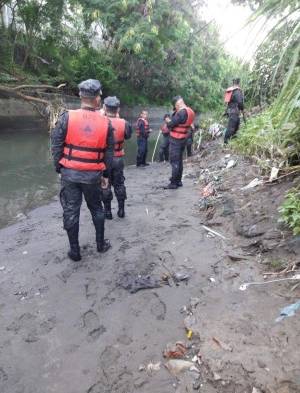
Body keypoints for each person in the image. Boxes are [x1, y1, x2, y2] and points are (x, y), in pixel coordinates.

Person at [51, 79, 113, 262]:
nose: (100, 98)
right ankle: (101, 245)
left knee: (71, 210)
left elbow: (56, 145)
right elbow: (108, 154)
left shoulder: (66, 117)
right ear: (96, 99)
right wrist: (105, 175)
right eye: (100, 95)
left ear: (80, 96)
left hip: (70, 174)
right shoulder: (106, 123)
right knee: (96, 208)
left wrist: (59, 168)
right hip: (93, 175)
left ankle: (75, 251)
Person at [101, 96, 132, 219]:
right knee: (119, 184)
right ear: (118, 109)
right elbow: (128, 136)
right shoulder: (125, 123)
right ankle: (121, 210)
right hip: (118, 158)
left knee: (105, 185)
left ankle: (108, 212)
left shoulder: (100, 121)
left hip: (104, 160)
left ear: (104, 107)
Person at [165, 96, 195, 189]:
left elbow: (171, 124)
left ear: (177, 104)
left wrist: (166, 119)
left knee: (174, 161)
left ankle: (173, 183)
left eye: (175, 107)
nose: (175, 109)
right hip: (183, 139)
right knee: (179, 161)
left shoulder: (181, 113)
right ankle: (179, 181)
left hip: (176, 140)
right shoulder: (190, 111)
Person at [224, 78, 245, 144]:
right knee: (231, 127)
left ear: (233, 83)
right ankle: (226, 142)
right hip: (234, 111)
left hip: (231, 110)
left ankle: (232, 140)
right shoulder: (237, 91)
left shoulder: (231, 90)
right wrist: (242, 109)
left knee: (236, 125)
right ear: (238, 83)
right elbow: (240, 102)